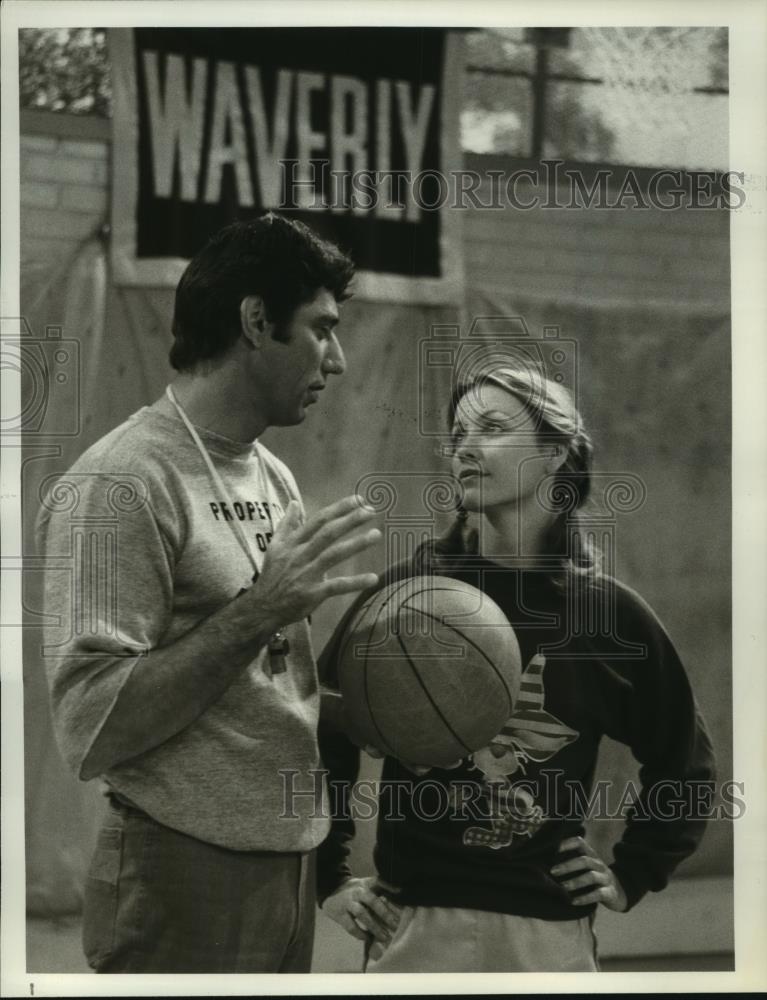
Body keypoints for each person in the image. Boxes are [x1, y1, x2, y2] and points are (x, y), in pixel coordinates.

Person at [37, 213, 383, 973]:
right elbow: (90, 729)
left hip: (286, 861)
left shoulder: (270, 474)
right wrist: (261, 607)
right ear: (256, 321)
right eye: (322, 329)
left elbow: (263, 682)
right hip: (180, 871)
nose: (339, 358)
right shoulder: (118, 484)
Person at [316, 365, 717, 972]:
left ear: (555, 454)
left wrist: (632, 873)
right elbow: (316, 722)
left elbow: (685, 764)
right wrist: (329, 875)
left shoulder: (608, 614)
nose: (466, 447)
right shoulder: (408, 596)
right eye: (457, 435)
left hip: (547, 933)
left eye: (492, 428)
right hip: (413, 925)